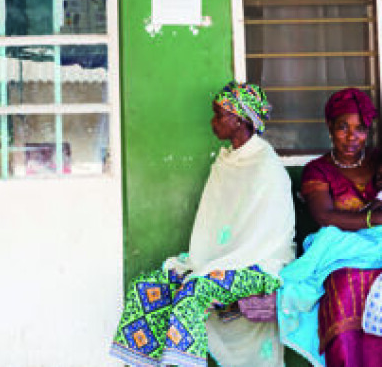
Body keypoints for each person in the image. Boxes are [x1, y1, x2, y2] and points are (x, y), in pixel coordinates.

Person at [109, 81, 296, 367]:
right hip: (217, 262)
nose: (213, 122)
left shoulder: (265, 167)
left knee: (193, 294)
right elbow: (214, 224)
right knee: (146, 289)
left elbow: (266, 237)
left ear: (239, 118)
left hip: (260, 266)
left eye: (219, 114)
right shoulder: (226, 161)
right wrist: (210, 264)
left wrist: (222, 266)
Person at [298, 88, 382, 367]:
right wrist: (380, 219)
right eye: (343, 128)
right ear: (329, 127)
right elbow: (324, 215)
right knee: (345, 290)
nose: (352, 137)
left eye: (360, 129)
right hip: (345, 256)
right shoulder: (318, 170)